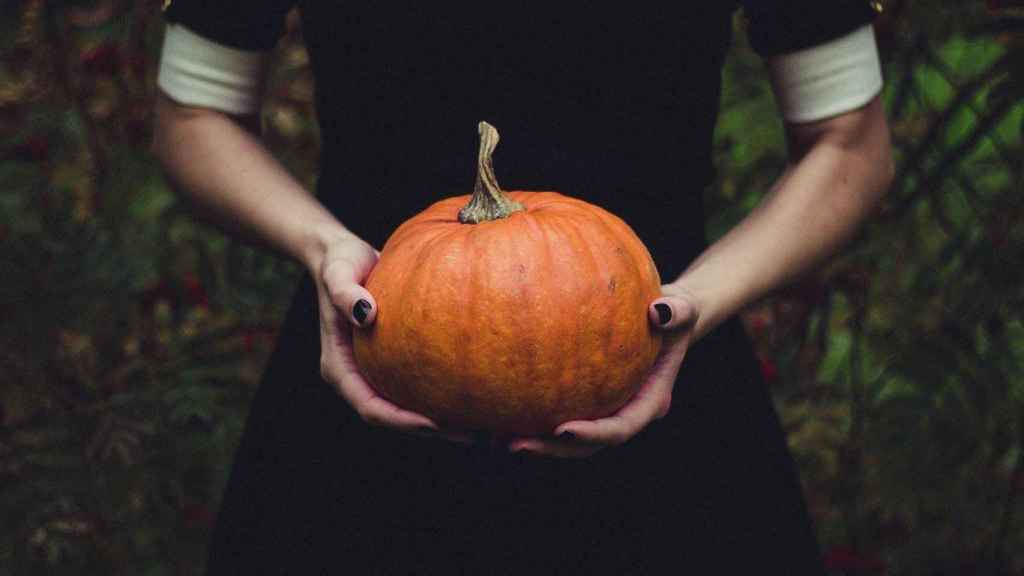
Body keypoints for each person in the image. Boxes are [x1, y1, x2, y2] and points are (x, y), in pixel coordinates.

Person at [152, 1, 893, 573]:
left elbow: (850, 144)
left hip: (661, 380)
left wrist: (695, 303)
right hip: (368, 366)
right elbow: (194, 115)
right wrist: (324, 250)